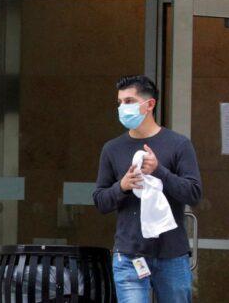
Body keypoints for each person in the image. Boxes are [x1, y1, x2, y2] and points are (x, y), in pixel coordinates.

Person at [92, 75, 202, 303]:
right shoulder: (112, 149)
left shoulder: (178, 144)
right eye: (120, 102)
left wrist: (160, 171)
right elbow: (100, 200)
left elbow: (193, 193)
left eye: (129, 101)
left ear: (149, 104)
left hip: (171, 253)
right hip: (129, 255)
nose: (123, 108)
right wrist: (121, 187)